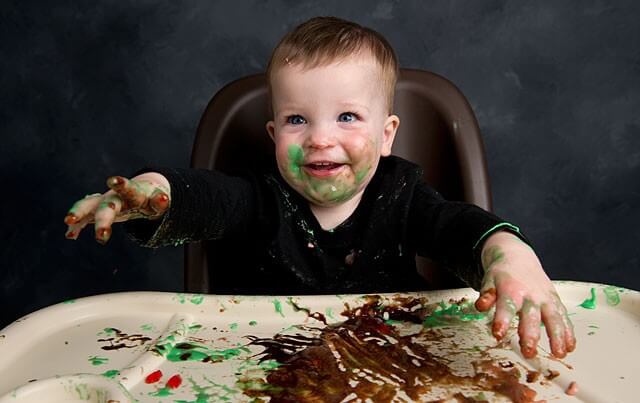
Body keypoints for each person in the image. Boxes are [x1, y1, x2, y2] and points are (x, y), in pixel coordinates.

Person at [63, 16, 575, 359]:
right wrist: (153, 195)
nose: (321, 138)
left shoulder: (402, 195)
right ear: (273, 134)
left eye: (348, 116)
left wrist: (507, 252)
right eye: (296, 119)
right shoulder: (260, 197)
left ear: (387, 134)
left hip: (395, 357)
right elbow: (205, 199)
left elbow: (457, 228)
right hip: (267, 360)